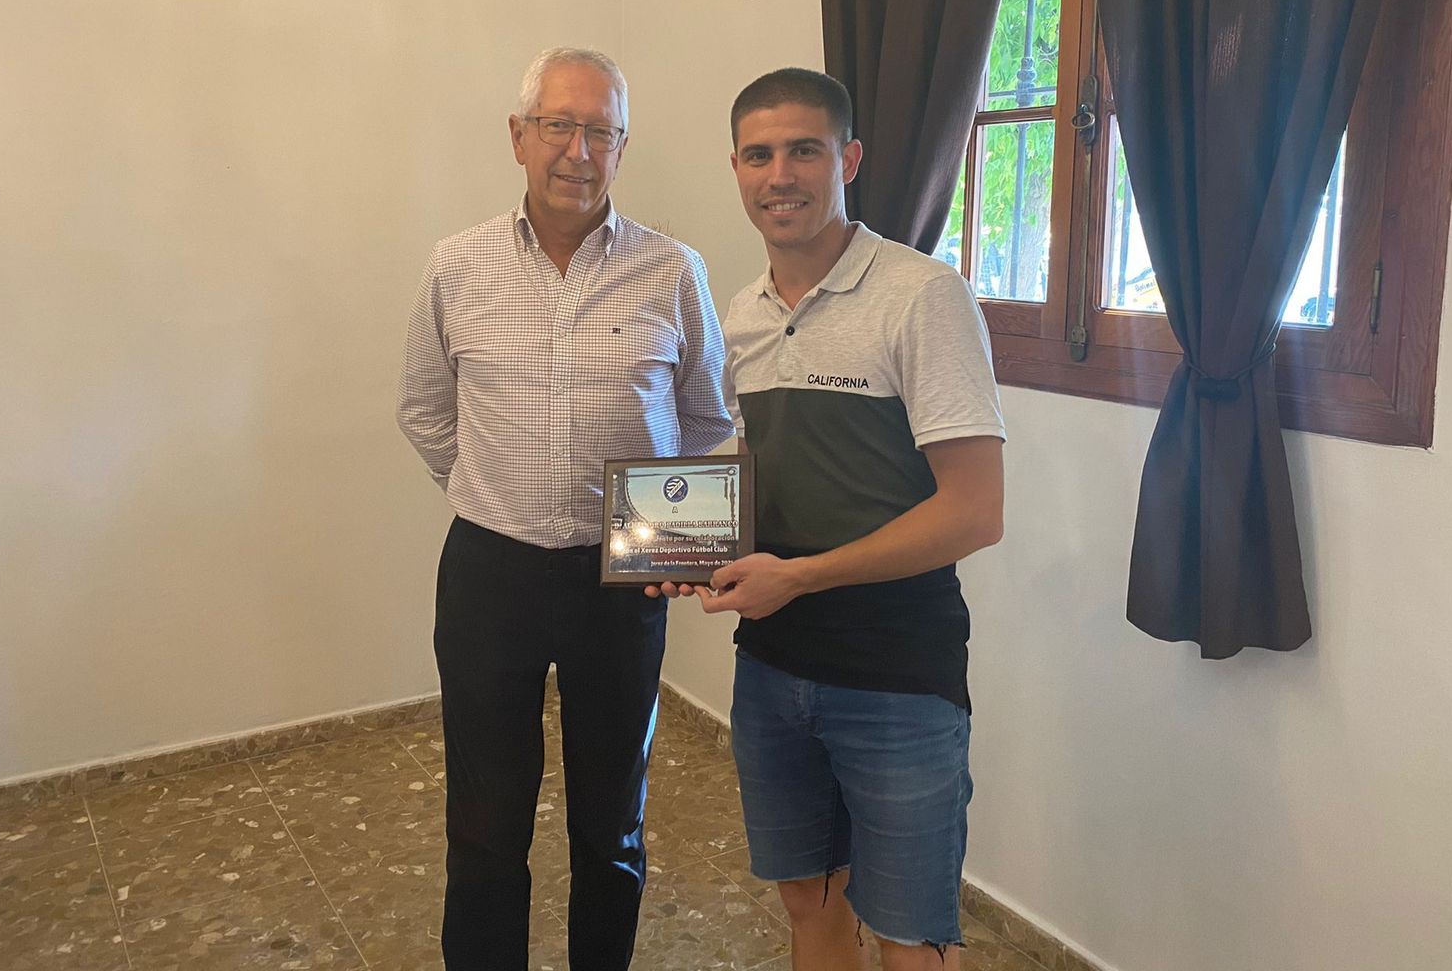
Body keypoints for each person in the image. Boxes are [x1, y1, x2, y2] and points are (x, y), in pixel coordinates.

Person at [657, 68, 1005, 969]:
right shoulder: (743, 314)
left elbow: (975, 512)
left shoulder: (923, 296)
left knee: (911, 939)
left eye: (805, 150)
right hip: (772, 672)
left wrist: (799, 578)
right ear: (735, 168)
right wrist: (683, 541)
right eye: (760, 154)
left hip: (898, 675)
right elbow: (768, 476)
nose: (782, 174)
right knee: (810, 915)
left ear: (847, 158)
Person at [397, 47, 734, 970]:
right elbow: (423, 409)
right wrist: (491, 488)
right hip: (489, 571)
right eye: (559, 126)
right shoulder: (456, 265)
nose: (578, 151)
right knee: (484, 821)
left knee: (611, 821)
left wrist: (661, 532)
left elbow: (705, 417)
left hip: (619, 582)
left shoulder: (672, 270)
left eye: (601, 132)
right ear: (519, 137)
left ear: (621, 148)